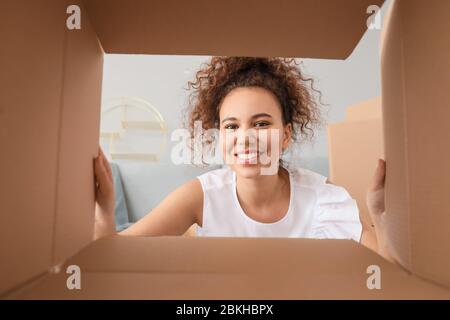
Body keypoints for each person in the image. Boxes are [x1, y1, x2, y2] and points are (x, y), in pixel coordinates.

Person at [94, 57, 393, 262]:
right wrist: (106, 211)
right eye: (232, 126)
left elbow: (384, 274)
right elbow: (115, 253)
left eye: (261, 124)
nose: (245, 137)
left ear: (286, 135)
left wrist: (379, 215)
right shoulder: (202, 194)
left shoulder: (325, 199)